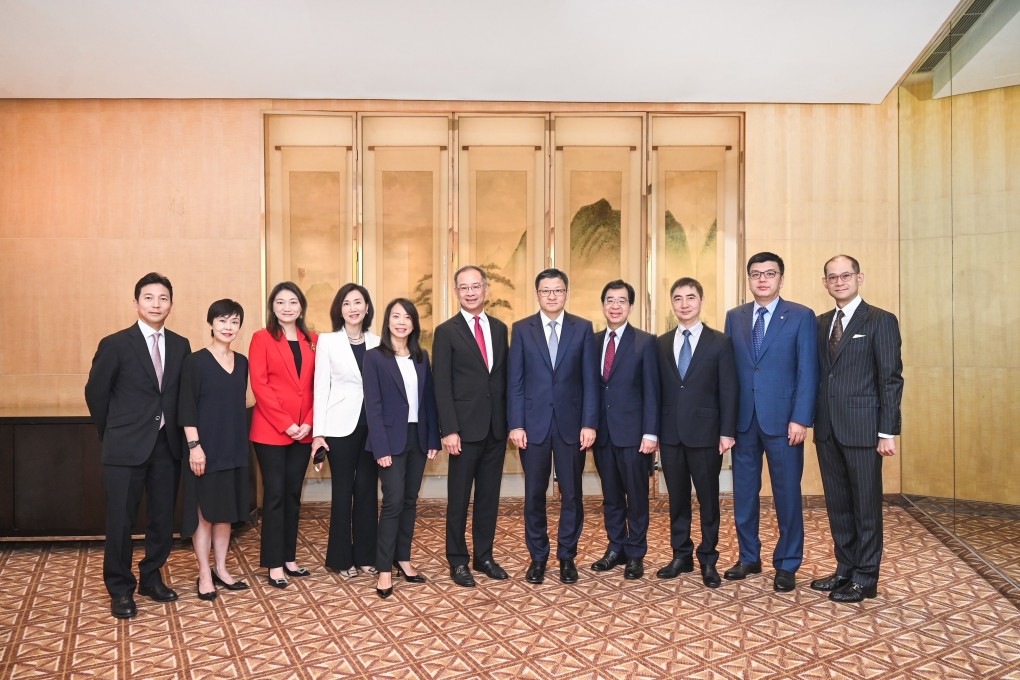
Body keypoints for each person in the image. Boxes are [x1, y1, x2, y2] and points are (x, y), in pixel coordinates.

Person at [85, 272, 192, 619]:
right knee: (121, 520)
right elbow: (96, 393)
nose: (156, 304)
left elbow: (182, 395)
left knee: (162, 518)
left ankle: (151, 577)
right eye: (149, 297)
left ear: (171, 304)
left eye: (163, 298)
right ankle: (120, 588)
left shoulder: (181, 344)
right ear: (136, 303)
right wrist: (112, 432)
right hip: (124, 447)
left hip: (166, 445)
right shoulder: (115, 343)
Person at [723, 252, 818, 592]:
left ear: (781, 279)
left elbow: (808, 370)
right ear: (748, 279)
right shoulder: (734, 317)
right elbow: (729, 374)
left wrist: (800, 418)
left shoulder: (801, 316)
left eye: (769, 273)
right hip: (744, 421)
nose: (762, 279)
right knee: (744, 494)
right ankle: (749, 557)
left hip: (784, 423)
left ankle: (787, 563)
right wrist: (726, 423)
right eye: (756, 274)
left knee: (787, 495)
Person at [811, 255, 903, 603]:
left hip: (864, 430)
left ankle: (866, 577)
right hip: (827, 429)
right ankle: (845, 569)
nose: (839, 282)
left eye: (845, 275)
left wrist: (887, 431)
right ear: (825, 283)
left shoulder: (880, 320)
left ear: (859, 278)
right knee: (838, 505)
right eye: (832, 277)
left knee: (865, 507)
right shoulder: (820, 323)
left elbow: (890, 379)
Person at [508, 268, 599, 585]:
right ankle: (538, 557)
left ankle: (567, 556)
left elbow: (590, 381)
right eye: (546, 291)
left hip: (572, 426)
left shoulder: (582, 328)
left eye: (558, 290)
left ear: (566, 293)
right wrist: (516, 424)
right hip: (532, 427)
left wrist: (589, 423)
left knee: (571, 494)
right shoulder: (522, 329)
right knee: (534, 494)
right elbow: (515, 382)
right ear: (537, 295)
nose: (552, 296)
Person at [655, 278, 737, 588]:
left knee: (708, 500)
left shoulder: (720, 342)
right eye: (678, 298)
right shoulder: (661, 343)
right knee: (677, 499)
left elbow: (729, 389)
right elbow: (657, 391)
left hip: (706, 434)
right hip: (671, 434)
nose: (684, 304)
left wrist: (727, 431)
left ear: (701, 301)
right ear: (672, 304)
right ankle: (681, 555)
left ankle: (708, 559)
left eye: (691, 297)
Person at [432, 265, 510, 588]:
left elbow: (502, 379)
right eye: (463, 287)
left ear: (486, 289)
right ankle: (458, 560)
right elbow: (441, 385)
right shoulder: (446, 332)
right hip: (463, 431)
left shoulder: (499, 328)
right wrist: (449, 429)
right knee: (459, 499)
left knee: (489, 498)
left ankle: (484, 556)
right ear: (456, 292)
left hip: (495, 428)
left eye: (475, 286)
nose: (470, 292)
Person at [363, 298, 441, 598]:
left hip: (417, 438)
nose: (401, 322)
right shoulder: (374, 357)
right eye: (396, 316)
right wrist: (380, 448)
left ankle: (403, 558)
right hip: (389, 441)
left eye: (407, 317)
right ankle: (384, 569)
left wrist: (433, 439)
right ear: (387, 321)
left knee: (410, 501)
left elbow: (429, 400)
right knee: (393, 502)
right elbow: (373, 406)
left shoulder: (421, 356)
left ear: (413, 323)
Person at [179, 299, 251, 600]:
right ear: (211, 323)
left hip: (234, 447)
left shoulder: (243, 362)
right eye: (222, 320)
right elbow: (187, 407)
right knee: (205, 514)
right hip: (205, 449)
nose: (228, 327)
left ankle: (221, 568)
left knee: (225, 513)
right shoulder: (195, 362)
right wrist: (195, 447)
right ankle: (204, 573)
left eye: (234, 322)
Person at [249, 281, 317, 589]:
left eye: (292, 302)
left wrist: (310, 422)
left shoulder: (314, 340)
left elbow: (320, 385)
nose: (287, 307)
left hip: (305, 431)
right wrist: (286, 423)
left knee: (293, 495)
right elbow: (259, 384)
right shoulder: (261, 338)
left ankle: (289, 558)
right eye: (280, 302)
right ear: (272, 308)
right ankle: (274, 563)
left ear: (301, 307)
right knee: (275, 495)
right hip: (271, 431)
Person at [590, 280, 659, 580]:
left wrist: (650, 433)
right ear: (603, 305)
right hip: (602, 434)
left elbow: (652, 391)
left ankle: (635, 553)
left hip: (634, 435)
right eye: (609, 300)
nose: (615, 306)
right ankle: (615, 547)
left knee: (637, 497)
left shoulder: (645, 342)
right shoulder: (592, 342)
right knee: (611, 496)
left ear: (630, 306)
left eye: (621, 301)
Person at [311, 283, 380, 579]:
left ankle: (366, 556)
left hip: (373, 428)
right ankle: (340, 559)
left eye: (358, 302)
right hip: (339, 427)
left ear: (367, 307)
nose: (353, 308)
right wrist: (318, 433)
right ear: (339, 310)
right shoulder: (328, 341)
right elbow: (320, 388)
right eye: (347, 303)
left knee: (367, 490)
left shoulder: (379, 341)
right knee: (342, 492)